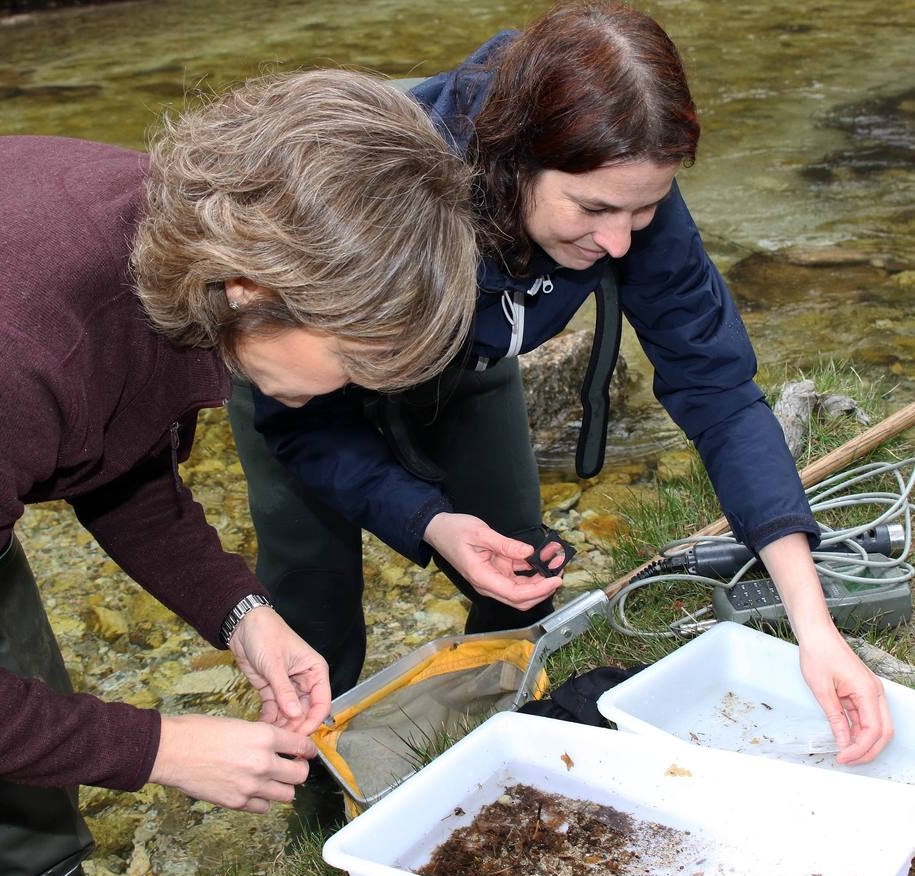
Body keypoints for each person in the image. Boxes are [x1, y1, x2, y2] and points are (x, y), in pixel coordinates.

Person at [227, 0, 892, 785]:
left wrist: (813, 627)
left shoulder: (618, 172)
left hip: (467, 364)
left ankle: (494, 753)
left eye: (643, 210)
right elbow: (305, 424)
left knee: (515, 565)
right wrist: (425, 519)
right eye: (595, 210)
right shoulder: (383, 203)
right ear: (516, 161)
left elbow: (715, 387)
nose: (617, 242)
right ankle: (314, 799)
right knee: (312, 596)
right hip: (311, 380)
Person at [0, 69, 477, 876]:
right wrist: (162, 748)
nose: (358, 392)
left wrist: (243, 614)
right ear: (255, 288)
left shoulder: (186, 248)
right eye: (355, 361)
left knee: (27, 804)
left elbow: (113, 461)